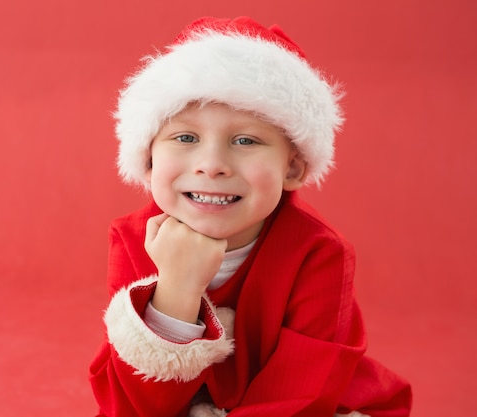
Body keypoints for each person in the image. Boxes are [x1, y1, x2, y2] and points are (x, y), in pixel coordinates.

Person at [89, 16, 412, 417]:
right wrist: (177, 289)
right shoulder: (131, 239)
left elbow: (300, 396)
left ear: (292, 169)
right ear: (150, 160)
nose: (212, 164)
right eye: (186, 137)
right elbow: (132, 404)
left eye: (245, 140)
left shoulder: (319, 253)